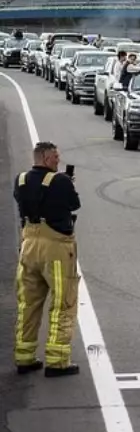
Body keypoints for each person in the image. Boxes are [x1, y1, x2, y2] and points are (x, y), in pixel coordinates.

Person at [12, 141, 81, 377]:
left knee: (27, 304)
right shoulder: (59, 181)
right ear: (44, 158)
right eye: (55, 157)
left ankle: (24, 356)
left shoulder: (20, 180)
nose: (58, 161)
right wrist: (68, 184)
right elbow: (74, 204)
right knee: (63, 303)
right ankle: (57, 360)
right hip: (56, 249)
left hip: (28, 245)